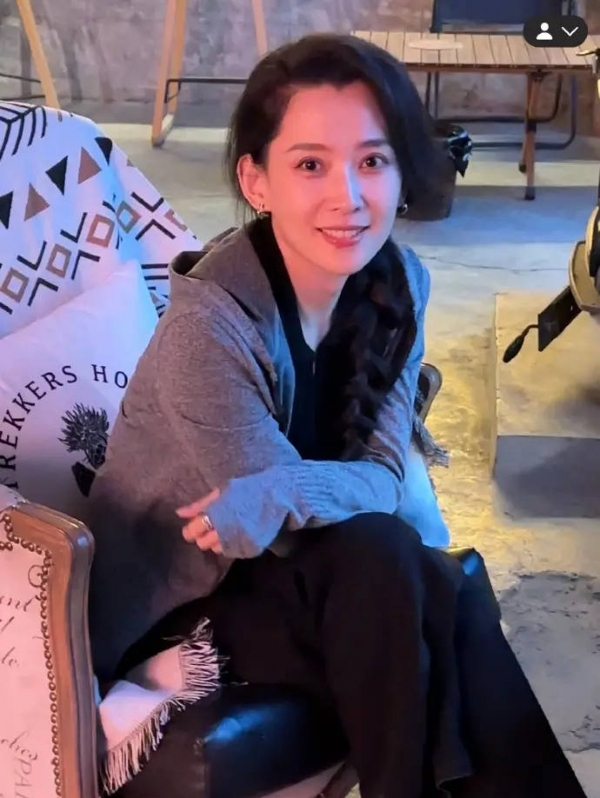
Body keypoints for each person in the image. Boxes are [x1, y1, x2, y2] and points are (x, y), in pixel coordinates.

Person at [88, 33, 586, 798]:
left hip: (329, 569)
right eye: (311, 165)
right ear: (256, 181)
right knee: (405, 572)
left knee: (398, 567)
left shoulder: (402, 283)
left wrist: (282, 490)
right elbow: (279, 531)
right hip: (190, 603)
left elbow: (379, 479)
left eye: (373, 161)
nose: (348, 197)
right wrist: (291, 497)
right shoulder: (208, 329)